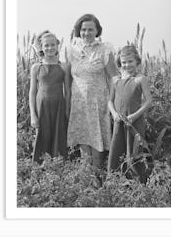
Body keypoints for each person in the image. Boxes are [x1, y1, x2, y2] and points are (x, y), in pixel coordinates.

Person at [66, 14, 117, 168]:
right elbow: (68, 79)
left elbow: (113, 77)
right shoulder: (70, 51)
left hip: (99, 102)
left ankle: (98, 177)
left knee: (98, 141)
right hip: (79, 102)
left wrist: (112, 101)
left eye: (90, 29)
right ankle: (87, 179)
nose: (86, 33)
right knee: (83, 139)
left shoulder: (104, 49)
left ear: (97, 31)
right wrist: (68, 103)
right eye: (83, 30)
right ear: (78, 31)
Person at [107, 45, 152, 178]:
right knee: (117, 147)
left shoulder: (140, 79)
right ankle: (115, 179)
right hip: (119, 122)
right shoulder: (115, 80)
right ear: (120, 63)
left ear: (137, 61)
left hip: (135, 122)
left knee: (134, 149)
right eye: (124, 62)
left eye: (130, 61)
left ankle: (137, 180)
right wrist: (114, 114)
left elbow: (149, 101)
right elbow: (110, 101)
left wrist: (134, 115)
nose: (127, 65)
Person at [29, 31, 70, 163]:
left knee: (59, 137)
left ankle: (58, 168)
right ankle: (41, 170)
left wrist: (68, 111)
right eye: (46, 45)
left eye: (53, 45)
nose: (50, 48)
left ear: (58, 45)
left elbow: (68, 91)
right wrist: (33, 115)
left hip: (59, 107)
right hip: (42, 108)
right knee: (43, 137)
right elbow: (32, 92)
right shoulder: (36, 67)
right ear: (41, 47)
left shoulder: (64, 67)